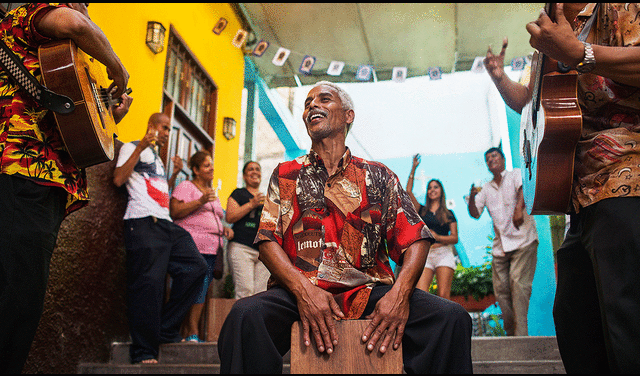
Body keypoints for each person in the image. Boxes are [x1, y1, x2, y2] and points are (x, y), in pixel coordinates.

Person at [217, 81, 473, 374]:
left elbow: (415, 237)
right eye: (307, 102)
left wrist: (400, 296)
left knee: (451, 319)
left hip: (367, 289)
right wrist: (303, 291)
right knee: (243, 317)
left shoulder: (378, 175)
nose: (312, 105)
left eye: (324, 99)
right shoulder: (286, 174)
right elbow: (267, 241)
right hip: (299, 290)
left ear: (348, 116)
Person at [484, 3, 640, 372]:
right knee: (575, 322)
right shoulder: (552, 26)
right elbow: (533, 103)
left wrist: (580, 54)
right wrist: (499, 77)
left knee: (628, 325)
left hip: (627, 181)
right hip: (581, 197)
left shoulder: (619, 8)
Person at [0, 3, 131, 374]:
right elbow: (73, 23)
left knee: (20, 297)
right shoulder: (29, 16)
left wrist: (106, 111)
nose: (85, 9)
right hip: (22, 175)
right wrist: (117, 67)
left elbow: (77, 122)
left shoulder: (56, 51)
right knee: (19, 300)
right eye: (83, 2)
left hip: (40, 183)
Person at [113, 113, 207, 364]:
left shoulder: (156, 158)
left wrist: (174, 174)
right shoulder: (133, 148)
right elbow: (119, 178)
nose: (167, 132)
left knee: (196, 268)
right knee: (149, 286)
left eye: (168, 129)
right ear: (151, 126)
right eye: (164, 128)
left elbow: (157, 191)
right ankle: (144, 351)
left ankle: (164, 329)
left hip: (165, 224)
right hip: (143, 222)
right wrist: (141, 145)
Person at [467, 147, 538, 337]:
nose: (491, 160)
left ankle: (521, 337)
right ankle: (511, 335)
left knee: (518, 283)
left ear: (503, 159)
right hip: (501, 247)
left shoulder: (515, 174)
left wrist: (518, 209)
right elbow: (475, 213)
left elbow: (523, 188)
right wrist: (472, 197)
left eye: (494, 156)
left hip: (523, 240)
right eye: (488, 159)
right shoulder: (486, 188)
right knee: (501, 292)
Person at [170, 150, 234, 342]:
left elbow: (210, 218)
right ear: (196, 170)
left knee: (202, 289)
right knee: (187, 287)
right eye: (206, 165)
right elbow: (175, 211)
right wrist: (200, 201)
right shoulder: (186, 187)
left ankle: (191, 332)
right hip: (191, 247)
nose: (212, 168)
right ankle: (184, 331)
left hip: (212, 249)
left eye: (212, 164)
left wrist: (223, 229)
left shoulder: (212, 192)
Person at [406, 154, 458, 299]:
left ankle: (445, 322)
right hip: (426, 254)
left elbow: (455, 238)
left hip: (444, 253)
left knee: (443, 295)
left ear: (441, 191)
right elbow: (408, 192)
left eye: (435, 187)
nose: (432, 190)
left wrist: (438, 237)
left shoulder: (449, 213)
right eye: (430, 188)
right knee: (421, 294)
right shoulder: (422, 210)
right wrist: (413, 168)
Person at [225, 161, 270, 299]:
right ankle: (242, 321)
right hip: (241, 247)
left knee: (261, 294)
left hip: (263, 251)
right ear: (244, 176)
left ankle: (256, 321)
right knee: (245, 291)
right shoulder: (238, 193)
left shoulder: (268, 198)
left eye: (257, 169)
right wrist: (251, 204)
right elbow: (230, 217)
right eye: (250, 169)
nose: (255, 171)